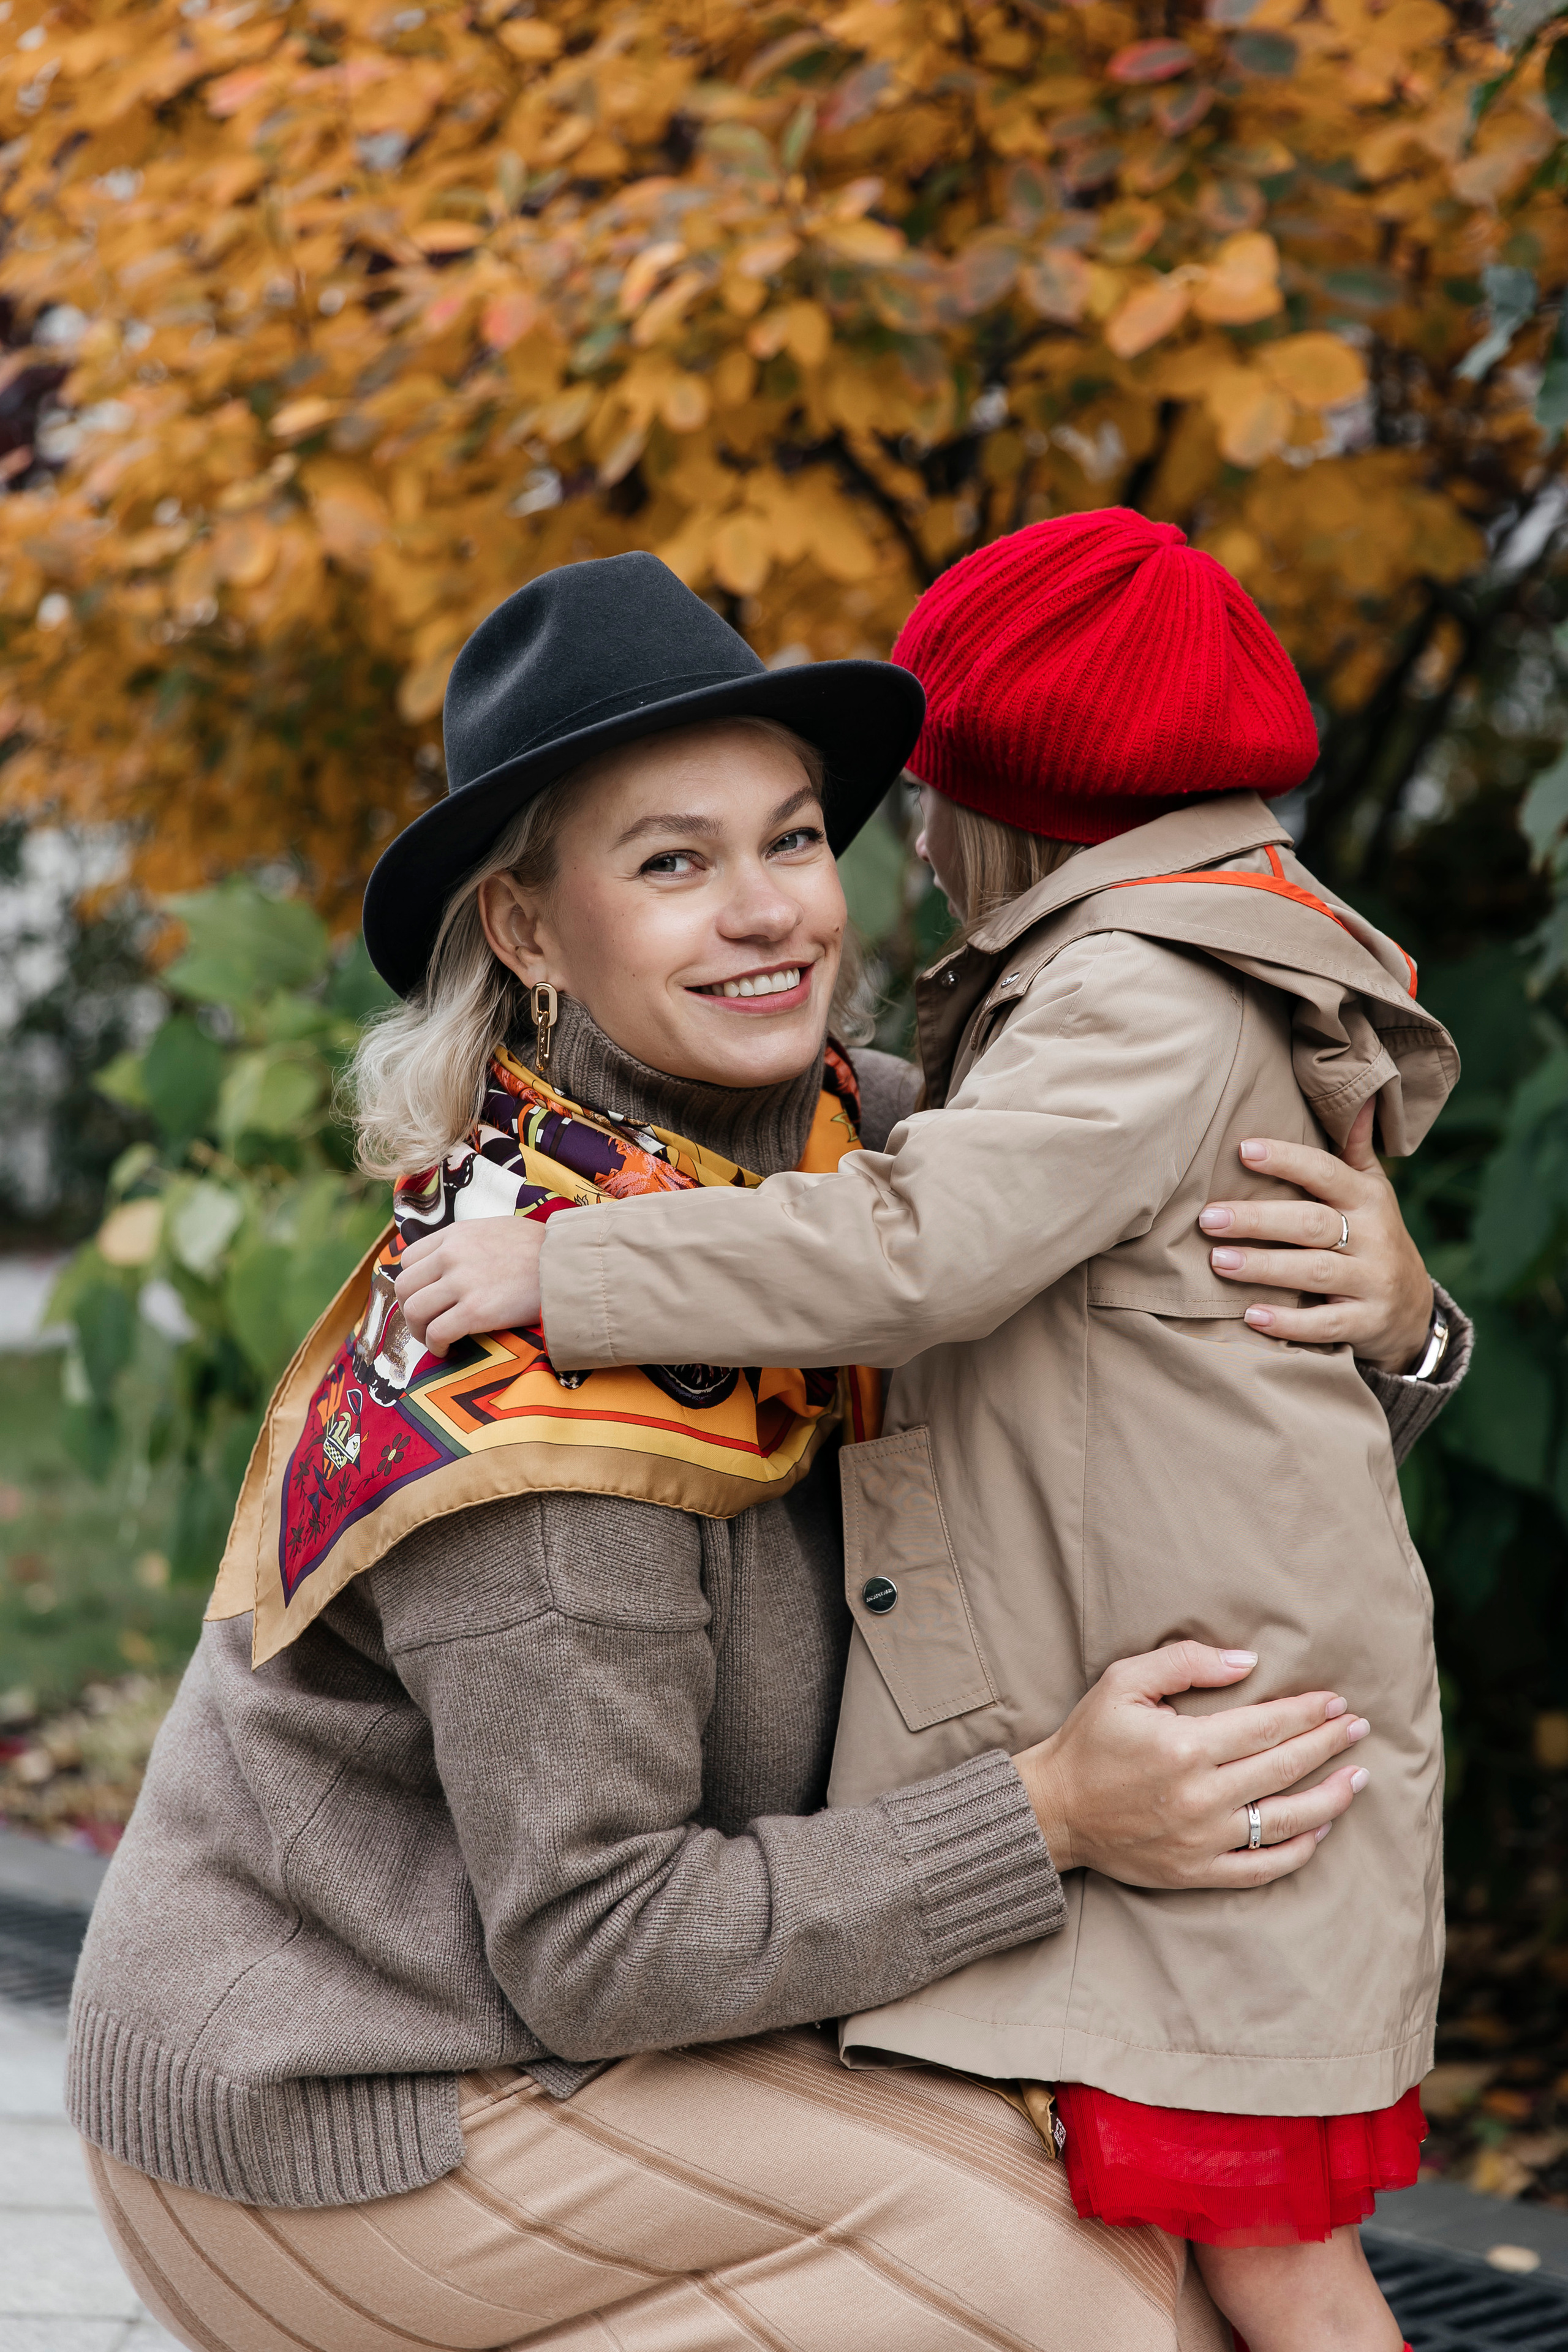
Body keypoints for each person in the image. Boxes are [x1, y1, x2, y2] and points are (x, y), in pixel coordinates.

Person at [74, 552, 1465, 2352]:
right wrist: (1054, 1812)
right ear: (529, 931)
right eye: (672, 862)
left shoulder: (884, 1156)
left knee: (1153, 2210)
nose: (768, 914)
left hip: (647, 2027)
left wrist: (1395, 1318)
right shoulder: (526, 1353)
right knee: (1079, 2304)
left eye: (794, 841)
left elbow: (1164, 1436)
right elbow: (595, 1945)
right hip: (354, 2099)